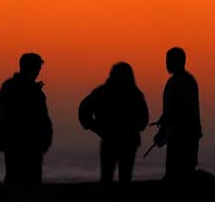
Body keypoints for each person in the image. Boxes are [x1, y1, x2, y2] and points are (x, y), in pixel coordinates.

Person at [79, 62, 150, 184]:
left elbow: (84, 109)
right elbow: (143, 119)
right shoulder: (135, 94)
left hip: (112, 140)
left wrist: (93, 126)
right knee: (125, 177)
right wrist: (93, 126)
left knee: (107, 177)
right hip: (127, 141)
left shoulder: (102, 92)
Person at [0, 53, 53, 185]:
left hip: (32, 145)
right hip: (18, 144)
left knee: (31, 181)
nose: (38, 73)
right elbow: (12, 113)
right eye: (36, 69)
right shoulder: (12, 88)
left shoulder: (34, 91)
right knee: (17, 180)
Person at [153, 47, 202, 181]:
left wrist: (164, 129)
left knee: (178, 172)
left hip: (183, 136)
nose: (166, 64)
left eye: (169, 61)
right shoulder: (184, 81)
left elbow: (180, 111)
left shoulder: (180, 82)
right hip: (183, 135)